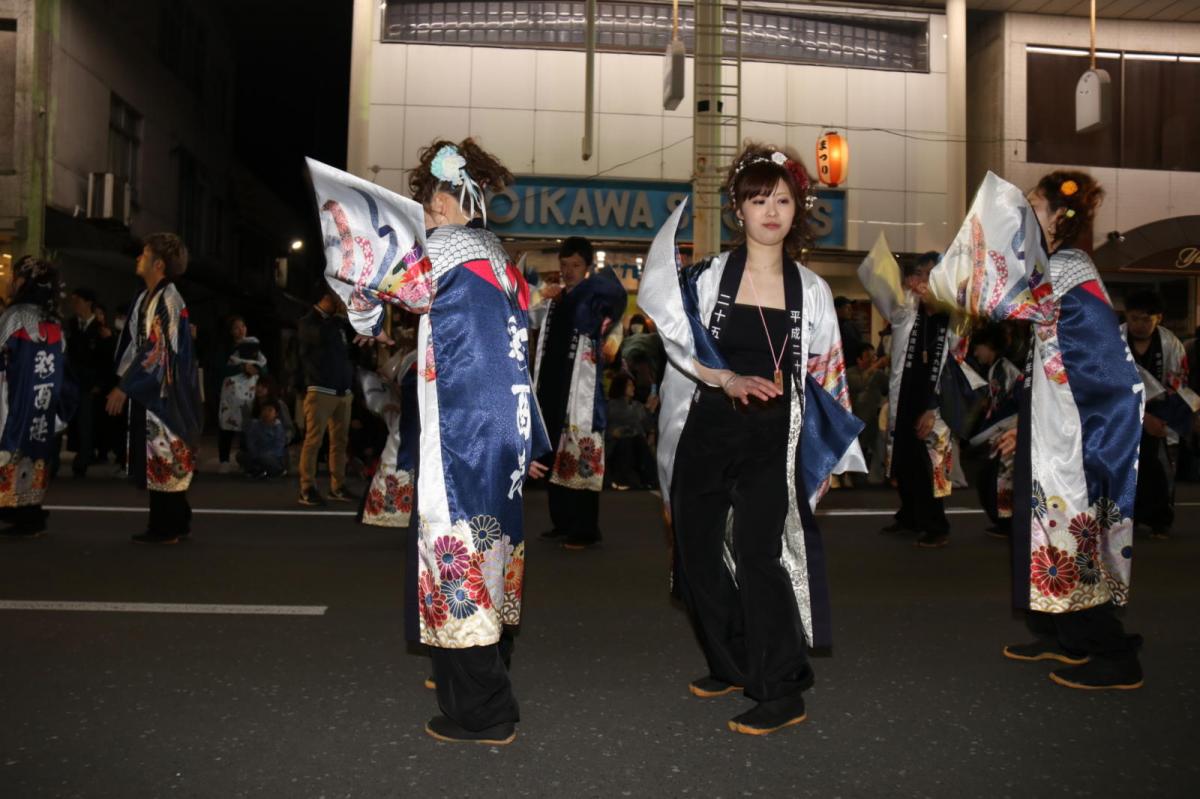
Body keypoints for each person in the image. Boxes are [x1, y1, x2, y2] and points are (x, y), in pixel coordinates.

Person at [308, 137, 550, 744]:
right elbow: (519, 360)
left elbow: (376, 285)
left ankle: (484, 710)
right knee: (493, 550)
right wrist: (531, 439)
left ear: (451, 199)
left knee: (455, 555)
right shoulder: (500, 260)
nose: (427, 210)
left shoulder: (442, 250)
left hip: (461, 432)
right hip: (503, 430)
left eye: (431, 199)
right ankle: (487, 674)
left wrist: (359, 297)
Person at [639, 143, 865, 736]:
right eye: (759, 199)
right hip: (707, 424)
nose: (772, 211)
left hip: (774, 435)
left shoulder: (812, 290)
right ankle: (735, 660)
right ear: (738, 208)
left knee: (763, 557)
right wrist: (726, 378)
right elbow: (675, 338)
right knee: (696, 555)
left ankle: (782, 686)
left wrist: (831, 458)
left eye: (783, 200)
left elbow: (827, 374)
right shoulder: (709, 276)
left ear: (799, 210)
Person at [928, 169, 1144, 690]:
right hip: (1052, 428)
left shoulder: (1068, 268)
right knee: (1039, 532)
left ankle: (1113, 654)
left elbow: (1096, 365)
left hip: (1072, 437)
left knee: (1070, 541)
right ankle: (1058, 632)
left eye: (1032, 206)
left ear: (1059, 218)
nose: (1023, 214)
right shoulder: (1056, 268)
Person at [531, 236, 626, 550]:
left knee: (580, 455)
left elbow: (612, 346)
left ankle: (586, 529)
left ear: (588, 268)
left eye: (575, 265)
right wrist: (544, 295)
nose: (569, 271)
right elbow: (527, 316)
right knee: (557, 455)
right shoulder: (551, 301)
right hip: (550, 387)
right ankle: (562, 523)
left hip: (582, 395)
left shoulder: (599, 302)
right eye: (564, 265)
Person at [107, 233, 202, 545]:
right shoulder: (151, 296)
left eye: (144, 254)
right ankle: (175, 522)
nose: (139, 258)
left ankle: (167, 527)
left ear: (158, 264)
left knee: (162, 455)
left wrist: (125, 386)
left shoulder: (167, 299)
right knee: (159, 457)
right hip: (159, 389)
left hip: (166, 392)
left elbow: (156, 349)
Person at [0, 258, 69, 537]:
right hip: (42, 402)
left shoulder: (15, 316)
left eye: (14, 276)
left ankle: (20, 514)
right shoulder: (52, 319)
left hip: (15, 398)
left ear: (22, 282)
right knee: (36, 453)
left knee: (12, 451)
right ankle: (29, 515)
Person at [1123, 290, 1198, 539]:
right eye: (1134, 318)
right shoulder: (1114, 339)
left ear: (1159, 318)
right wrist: (1140, 417)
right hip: (1122, 413)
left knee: (1158, 468)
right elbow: (1105, 384)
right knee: (1122, 468)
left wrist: (1162, 420)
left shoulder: (1171, 344)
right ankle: (1124, 519)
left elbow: (1179, 385)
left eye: (1146, 319)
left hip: (1160, 413)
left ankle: (1160, 520)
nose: (1139, 325)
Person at [296, 289, 355, 505]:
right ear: (326, 297)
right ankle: (307, 487)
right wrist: (338, 319)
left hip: (342, 391)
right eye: (339, 298)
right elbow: (320, 337)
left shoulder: (337, 324)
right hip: (320, 389)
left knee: (340, 441)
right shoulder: (308, 321)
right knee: (314, 440)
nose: (342, 303)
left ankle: (338, 486)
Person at [969, 326, 1022, 537]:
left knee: (1000, 478)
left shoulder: (1003, 369)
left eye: (978, 348)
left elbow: (1008, 404)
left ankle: (1008, 523)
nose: (976, 353)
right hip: (1008, 427)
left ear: (989, 347)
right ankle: (1005, 521)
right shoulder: (999, 368)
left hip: (1010, 428)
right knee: (995, 477)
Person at [358, 348, 419, 528]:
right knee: (401, 449)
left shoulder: (410, 357)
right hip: (413, 415)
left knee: (400, 449)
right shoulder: (411, 357)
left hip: (415, 413)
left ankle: (394, 508)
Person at [65, 287, 106, 477]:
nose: (75, 305)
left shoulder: (99, 329)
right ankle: (80, 453)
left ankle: (84, 456)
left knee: (86, 421)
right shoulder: (71, 325)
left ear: (88, 303)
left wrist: (100, 382)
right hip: (72, 380)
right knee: (73, 420)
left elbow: (104, 359)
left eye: (78, 301)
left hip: (89, 382)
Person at [217, 317, 267, 473]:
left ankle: (245, 459)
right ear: (231, 331)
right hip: (231, 393)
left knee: (248, 426)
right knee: (227, 426)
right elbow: (220, 369)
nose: (241, 330)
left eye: (243, 326)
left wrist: (256, 369)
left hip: (249, 392)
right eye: (236, 327)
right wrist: (242, 368)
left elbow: (265, 368)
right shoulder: (226, 347)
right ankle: (224, 460)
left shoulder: (253, 346)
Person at [604, 372, 658, 490]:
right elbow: (606, 429)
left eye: (633, 385)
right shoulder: (611, 406)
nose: (633, 387)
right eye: (629, 385)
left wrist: (650, 412)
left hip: (637, 445)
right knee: (628, 441)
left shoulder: (637, 406)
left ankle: (649, 479)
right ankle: (624, 478)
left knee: (638, 440)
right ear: (621, 387)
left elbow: (647, 425)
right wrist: (614, 433)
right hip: (617, 445)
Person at [845, 342, 887, 468]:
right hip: (854, 419)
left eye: (874, 357)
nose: (872, 360)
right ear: (859, 359)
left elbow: (888, 388)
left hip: (872, 420)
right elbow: (859, 383)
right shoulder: (849, 373)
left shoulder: (879, 375)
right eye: (868, 357)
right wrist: (876, 366)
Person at [238, 400, 288, 478]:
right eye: (264, 409)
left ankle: (276, 471)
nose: (266, 413)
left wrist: (265, 455)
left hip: (273, 457)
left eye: (270, 410)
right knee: (241, 455)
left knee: (266, 458)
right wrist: (256, 454)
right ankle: (259, 470)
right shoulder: (255, 424)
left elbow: (278, 448)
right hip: (257, 454)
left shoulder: (278, 427)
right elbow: (251, 442)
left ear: (276, 414)